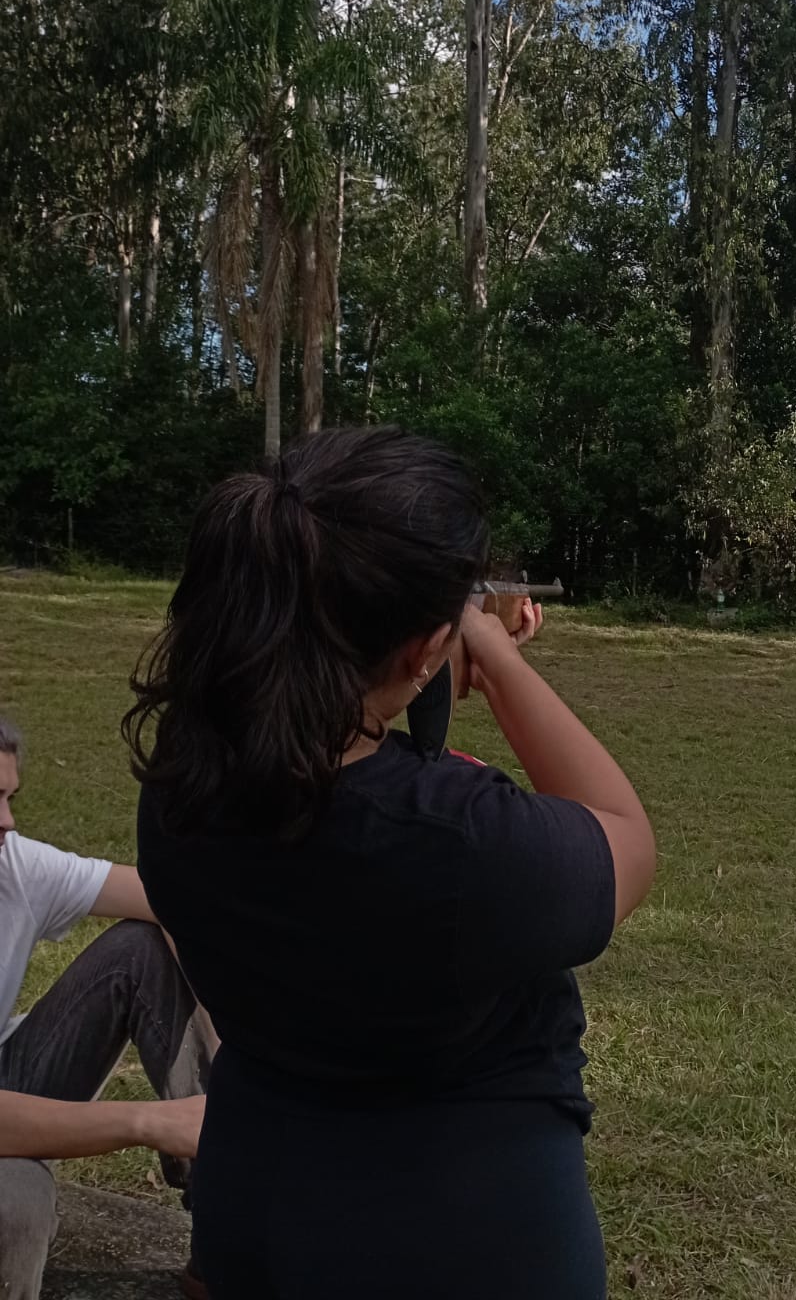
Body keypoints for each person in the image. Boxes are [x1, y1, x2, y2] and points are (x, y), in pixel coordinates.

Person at [129, 427, 656, 1299]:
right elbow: (625, 840)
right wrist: (490, 654)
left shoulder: (180, 786)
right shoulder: (458, 845)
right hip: (462, 1242)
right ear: (420, 649)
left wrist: (429, 649)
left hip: (253, 1208)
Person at [0, 715, 211, 1300]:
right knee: (15, 1208)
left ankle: (228, 1218)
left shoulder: (14, 864)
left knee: (139, 948)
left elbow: (174, 903)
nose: (7, 821)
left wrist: (226, 1039)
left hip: (12, 1075)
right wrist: (146, 1122)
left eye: (9, 797)